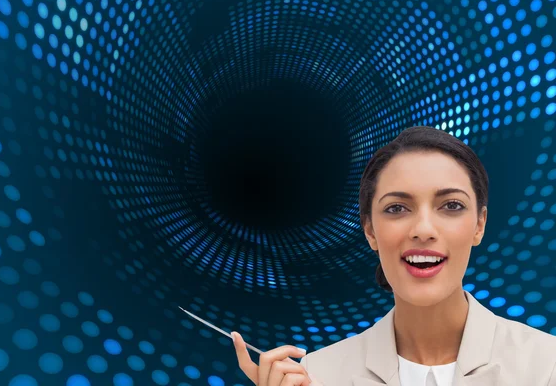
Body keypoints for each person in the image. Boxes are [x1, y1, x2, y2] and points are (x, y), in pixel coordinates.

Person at [230, 126, 556, 385]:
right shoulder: (319, 374)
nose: (423, 229)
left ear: (479, 224)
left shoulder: (547, 365)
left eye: (451, 206)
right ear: (370, 231)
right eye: (397, 208)